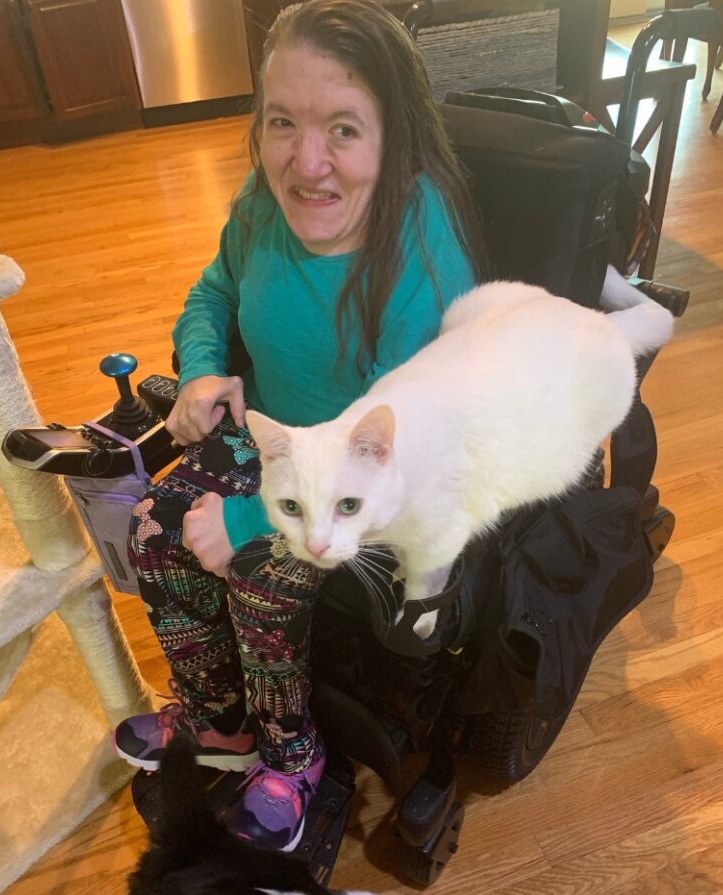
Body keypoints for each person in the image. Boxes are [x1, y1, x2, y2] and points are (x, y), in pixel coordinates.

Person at [114, 0, 485, 852]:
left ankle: (294, 753)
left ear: (391, 138)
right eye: (282, 122)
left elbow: (407, 440)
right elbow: (211, 291)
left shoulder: (418, 250)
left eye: (343, 130)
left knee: (256, 577)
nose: (305, 161)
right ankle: (217, 719)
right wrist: (203, 362)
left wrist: (244, 520)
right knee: (153, 532)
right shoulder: (257, 204)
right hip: (273, 439)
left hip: (364, 478)